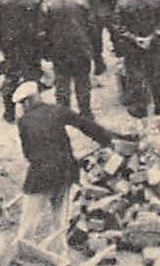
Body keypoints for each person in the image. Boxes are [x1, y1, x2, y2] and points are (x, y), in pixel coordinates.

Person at [11, 81, 130, 243]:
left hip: (40, 174)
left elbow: (28, 153)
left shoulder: (24, 122)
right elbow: (85, 124)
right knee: (60, 217)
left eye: (21, 104)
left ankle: (24, 246)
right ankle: (61, 251)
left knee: (29, 217)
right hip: (66, 169)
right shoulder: (57, 110)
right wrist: (106, 140)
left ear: (26, 102)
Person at [111, 0, 160, 118]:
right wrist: (154, 35)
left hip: (132, 47)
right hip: (154, 44)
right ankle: (159, 105)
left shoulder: (123, 2)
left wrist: (135, 38)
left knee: (135, 76)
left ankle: (140, 108)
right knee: (156, 73)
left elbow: (117, 26)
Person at [39, 0, 97, 119]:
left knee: (62, 83)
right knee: (83, 82)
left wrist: (46, 52)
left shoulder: (47, 4)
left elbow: (43, 32)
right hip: (80, 47)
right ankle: (86, 113)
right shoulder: (81, 0)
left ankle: (64, 114)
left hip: (59, 50)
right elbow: (92, 27)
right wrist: (94, 48)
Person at [0, 0, 44, 123]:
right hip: (30, 44)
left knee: (11, 75)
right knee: (31, 76)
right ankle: (32, 111)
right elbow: (40, 26)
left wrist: (0, 43)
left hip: (9, 43)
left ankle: (9, 112)